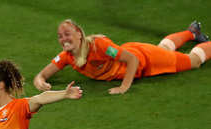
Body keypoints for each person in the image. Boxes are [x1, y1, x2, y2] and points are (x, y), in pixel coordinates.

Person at [34, 19, 211, 95]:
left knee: (193, 62)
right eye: (60, 36)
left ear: (79, 34)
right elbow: (41, 75)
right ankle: (191, 32)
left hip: (145, 59)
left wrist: (124, 87)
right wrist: (40, 81)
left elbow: (132, 60)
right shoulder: (66, 56)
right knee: (164, 48)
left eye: (67, 34)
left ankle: (193, 34)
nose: (64, 39)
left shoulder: (99, 46)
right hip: (139, 54)